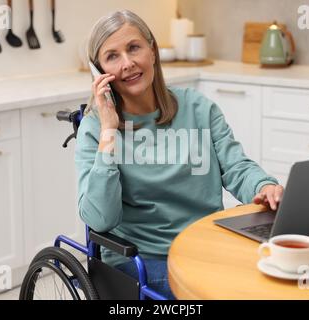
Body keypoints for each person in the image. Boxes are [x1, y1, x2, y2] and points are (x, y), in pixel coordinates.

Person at [75, 10, 284, 300]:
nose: (128, 63)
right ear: (100, 72)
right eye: (112, 56)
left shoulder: (198, 108)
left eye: (134, 48)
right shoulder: (95, 129)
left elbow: (237, 167)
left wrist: (264, 186)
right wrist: (109, 132)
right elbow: (100, 219)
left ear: (153, 51)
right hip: (142, 261)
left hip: (207, 247)